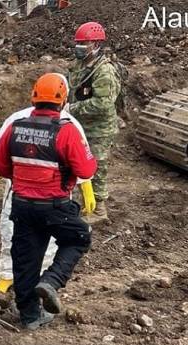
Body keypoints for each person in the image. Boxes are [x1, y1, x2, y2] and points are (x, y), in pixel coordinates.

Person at [0, 73, 97, 330]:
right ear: (63, 100)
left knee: (25, 260)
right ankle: (51, 281)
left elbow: (1, 166)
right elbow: (85, 169)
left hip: (22, 205)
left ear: (34, 98)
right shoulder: (67, 130)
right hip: (55, 206)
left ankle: (30, 316)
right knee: (78, 238)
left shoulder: (15, 127)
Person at [68, 22, 120, 224]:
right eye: (78, 43)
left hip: (99, 129)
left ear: (97, 44)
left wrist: (73, 109)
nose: (80, 47)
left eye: (85, 43)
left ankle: (99, 209)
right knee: (77, 163)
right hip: (80, 125)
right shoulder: (80, 65)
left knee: (96, 167)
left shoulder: (104, 71)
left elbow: (103, 104)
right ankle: (83, 202)